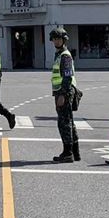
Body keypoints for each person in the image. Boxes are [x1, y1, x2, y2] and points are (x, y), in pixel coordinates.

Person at [49, 28, 80, 162]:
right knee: (69, 121)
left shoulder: (65, 56)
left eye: (58, 38)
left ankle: (68, 153)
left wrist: (62, 94)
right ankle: (75, 152)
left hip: (65, 91)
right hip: (62, 91)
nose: (56, 41)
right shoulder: (59, 54)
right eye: (54, 39)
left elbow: (67, 76)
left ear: (64, 40)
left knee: (64, 122)